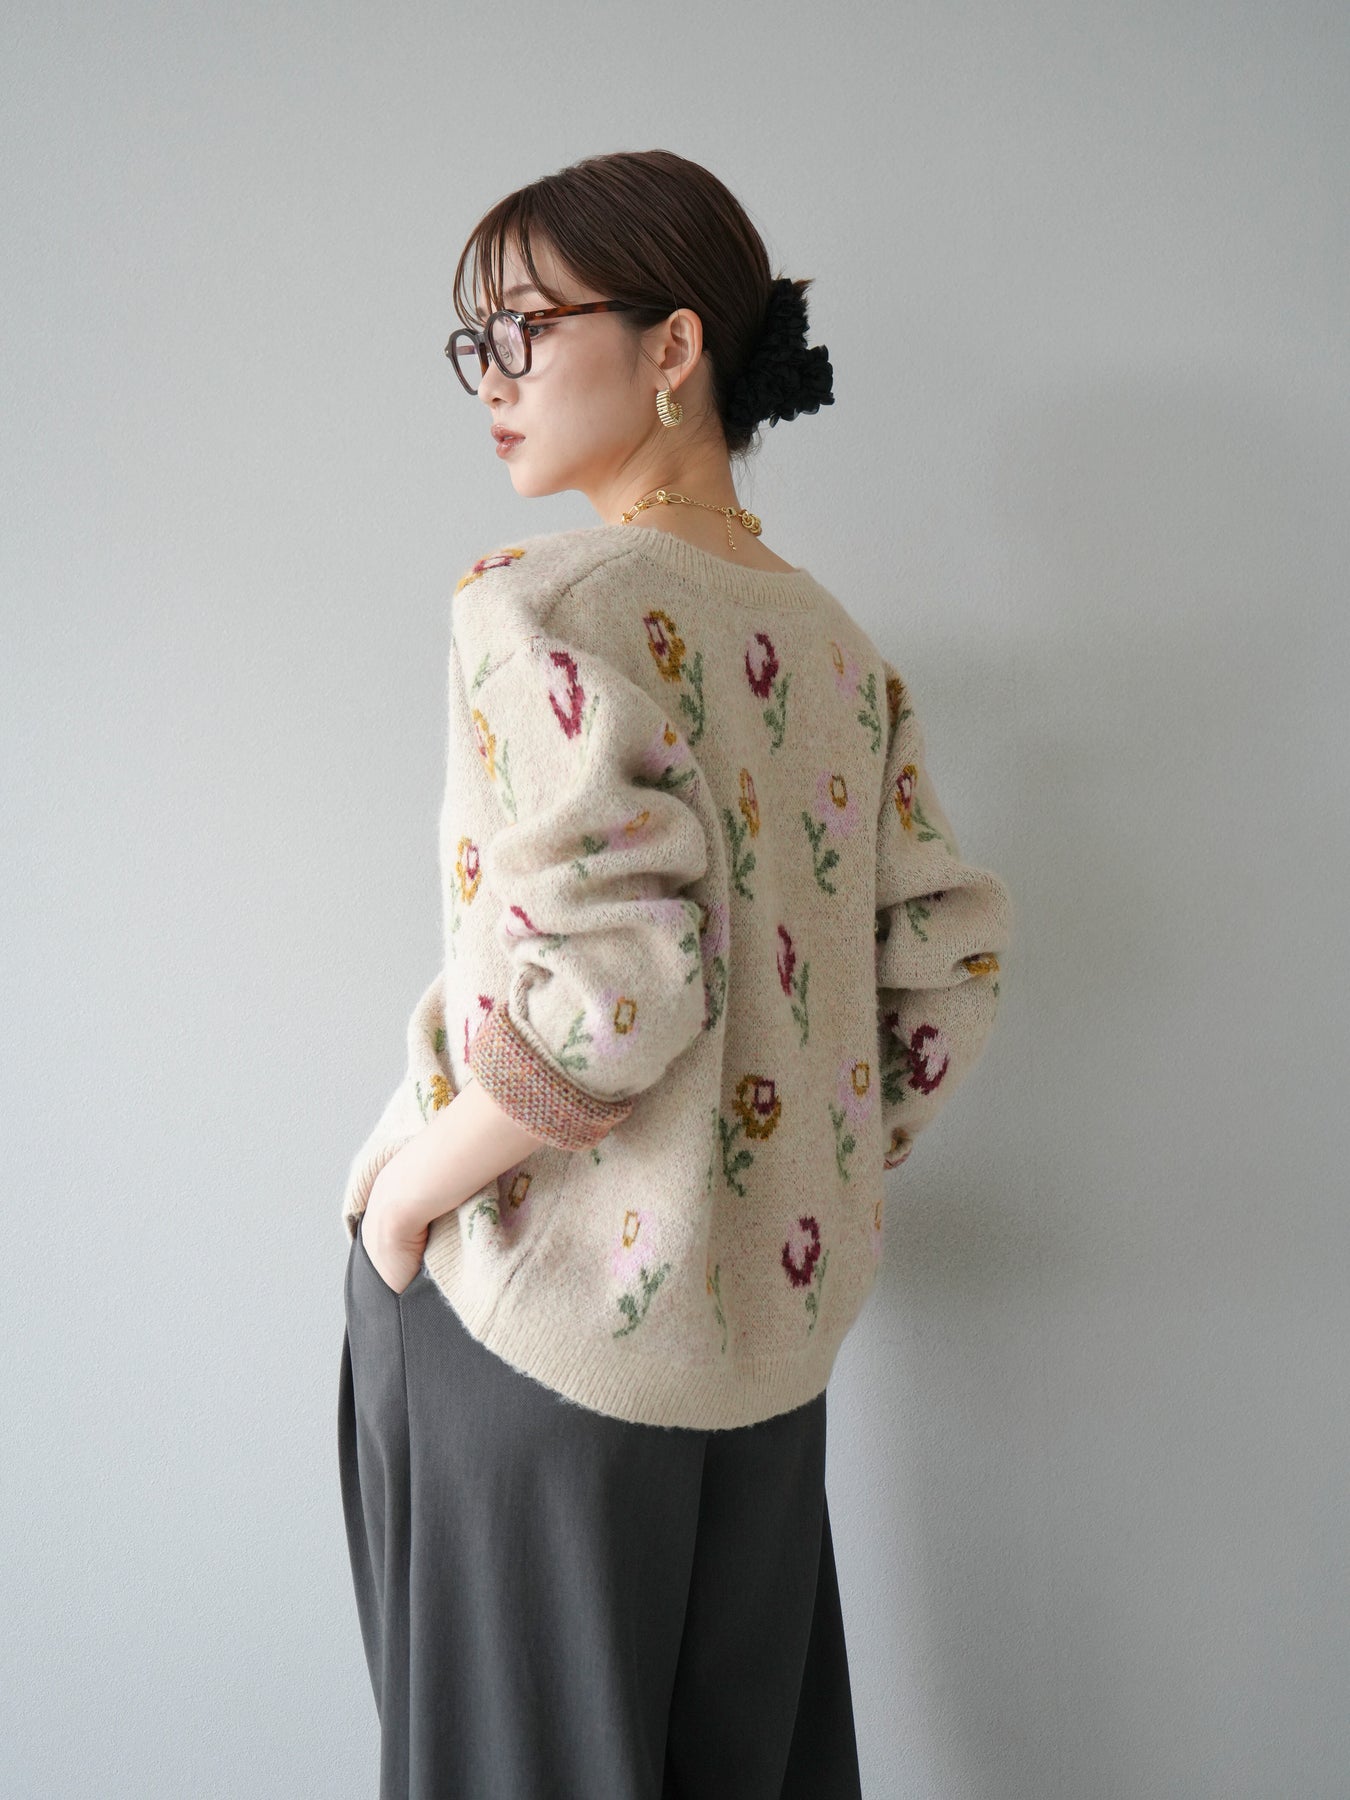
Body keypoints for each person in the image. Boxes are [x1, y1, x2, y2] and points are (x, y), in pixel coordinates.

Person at [336, 148, 1013, 1799]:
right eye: (474, 343)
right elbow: (941, 979)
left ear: (673, 345)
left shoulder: (541, 607)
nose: (490, 380)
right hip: (759, 1348)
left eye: (524, 329)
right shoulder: (840, 650)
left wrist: (407, 1196)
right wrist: (788, 1176)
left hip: (540, 1327)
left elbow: (614, 998)